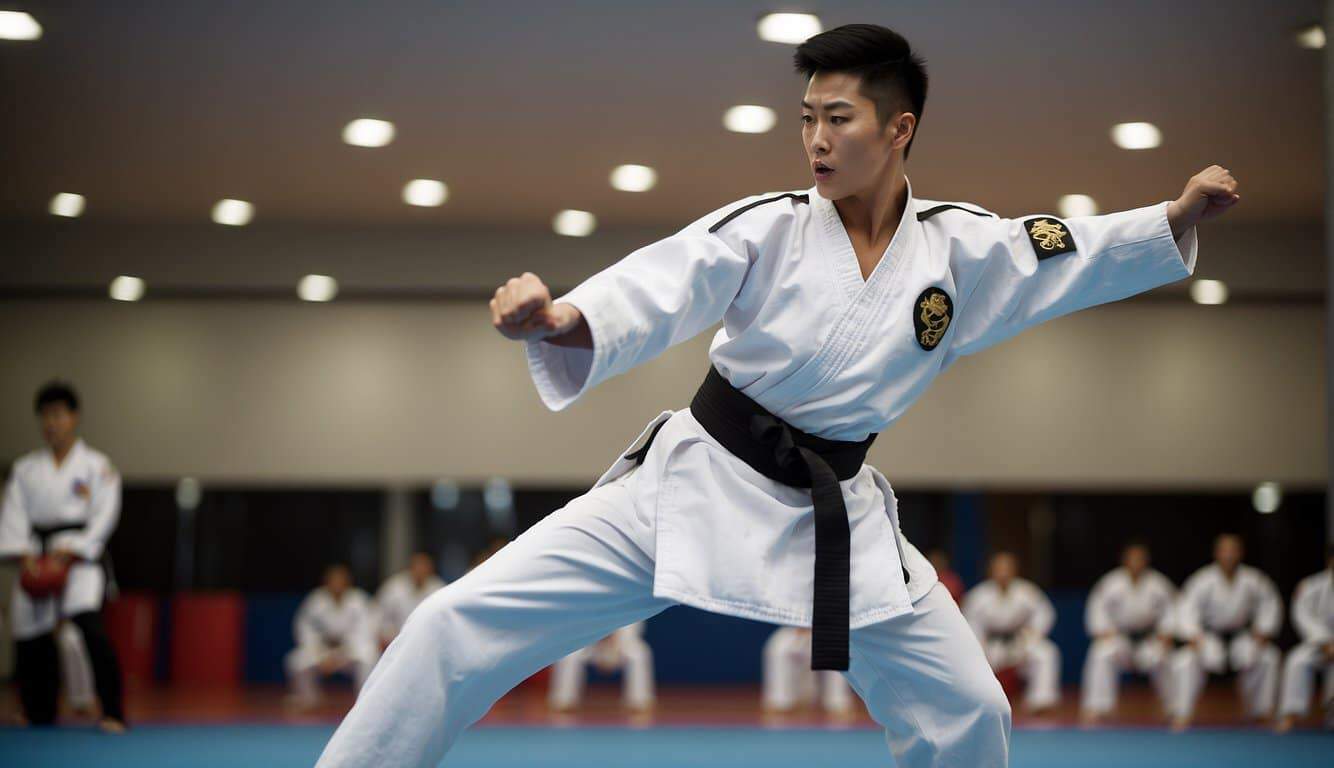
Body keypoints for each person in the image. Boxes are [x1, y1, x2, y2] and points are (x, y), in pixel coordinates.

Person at [316, 23, 1236, 768]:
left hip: (835, 518)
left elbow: (1061, 252)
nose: (816, 140)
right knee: (453, 622)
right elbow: (661, 282)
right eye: (807, 119)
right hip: (694, 482)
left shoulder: (960, 250)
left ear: (899, 128)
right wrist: (558, 318)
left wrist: (1172, 220)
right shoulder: (771, 228)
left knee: (971, 710)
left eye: (838, 118)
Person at [0, 381, 126, 732]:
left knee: (89, 628)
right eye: (45, 416)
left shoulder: (97, 466)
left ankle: (113, 710)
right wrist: (22, 553)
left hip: (79, 557)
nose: (51, 423)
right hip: (36, 555)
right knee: (30, 633)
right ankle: (38, 710)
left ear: (74, 417)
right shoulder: (25, 470)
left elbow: (105, 514)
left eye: (58, 414)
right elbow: (13, 514)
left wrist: (73, 550)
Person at [1168, 534, 1282, 731]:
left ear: (1240, 553)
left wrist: (1263, 630)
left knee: (1268, 657)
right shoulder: (1203, 579)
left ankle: (1261, 711)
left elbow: (1269, 604)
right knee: (1184, 661)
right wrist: (1193, 635)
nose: (1228, 555)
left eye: (1233, 550)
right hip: (1209, 638)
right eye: (1224, 550)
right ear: (1216, 553)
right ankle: (1182, 713)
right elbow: (1187, 607)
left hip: (1243, 638)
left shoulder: (1254, 579)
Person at [1079, 541, 1176, 724]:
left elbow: (1171, 610)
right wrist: (1102, 630)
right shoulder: (1110, 583)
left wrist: (1167, 632)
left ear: (1146, 561)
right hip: (1120, 639)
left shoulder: (1159, 583)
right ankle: (1098, 707)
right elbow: (1097, 609)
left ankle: (1173, 709)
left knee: (1164, 655)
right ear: (1124, 560)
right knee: (1101, 652)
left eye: (1140, 559)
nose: (1136, 562)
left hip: (1149, 639)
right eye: (1132, 558)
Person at [963, 552, 1061, 713]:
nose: (1003, 573)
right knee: (972, 661)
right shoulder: (978, 595)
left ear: (1014, 571)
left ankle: (1040, 702)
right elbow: (970, 622)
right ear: (991, 571)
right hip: (991, 644)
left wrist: (1034, 633)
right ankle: (978, 704)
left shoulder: (1027, 591)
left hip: (1020, 642)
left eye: (1007, 569)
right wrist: (979, 645)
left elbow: (1044, 613)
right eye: (999, 569)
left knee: (1046, 652)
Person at [286, 564, 379, 709]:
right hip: (322, 651)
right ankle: (309, 699)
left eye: (340, 581)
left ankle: (364, 701)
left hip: (350, 651)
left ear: (347, 583)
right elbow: (304, 627)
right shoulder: (316, 600)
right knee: (296, 662)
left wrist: (342, 654)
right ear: (326, 582)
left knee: (369, 657)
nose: (337, 585)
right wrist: (319, 652)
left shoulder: (358, 600)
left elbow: (365, 631)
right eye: (333, 581)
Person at [1274, 544, 1334, 733]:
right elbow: (1302, 615)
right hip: (1318, 643)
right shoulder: (1310, 586)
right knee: (1296, 660)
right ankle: (1291, 714)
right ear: (1330, 561)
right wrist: (1324, 641)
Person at [548, 622, 655, 713]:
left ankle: (639, 702)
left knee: (639, 653)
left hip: (622, 645)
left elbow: (633, 633)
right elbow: (579, 630)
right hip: (591, 645)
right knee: (569, 654)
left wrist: (615, 646)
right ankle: (563, 700)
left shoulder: (629, 605)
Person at [762, 626, 855, 716]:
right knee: (779, 648)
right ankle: (779, 702)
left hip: (827, 630)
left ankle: (837, 702)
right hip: (794, 630)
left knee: (837, 649)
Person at [374, 552, 446, 649]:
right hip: (395, 642)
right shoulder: (394, 587)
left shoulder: (439, 589)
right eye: (418, 567)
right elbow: (378, 617)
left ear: (430, 570)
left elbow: (442, 622)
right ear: (410, 568)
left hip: (428, 643)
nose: (420, 571)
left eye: (424, 567)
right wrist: (386, 636)